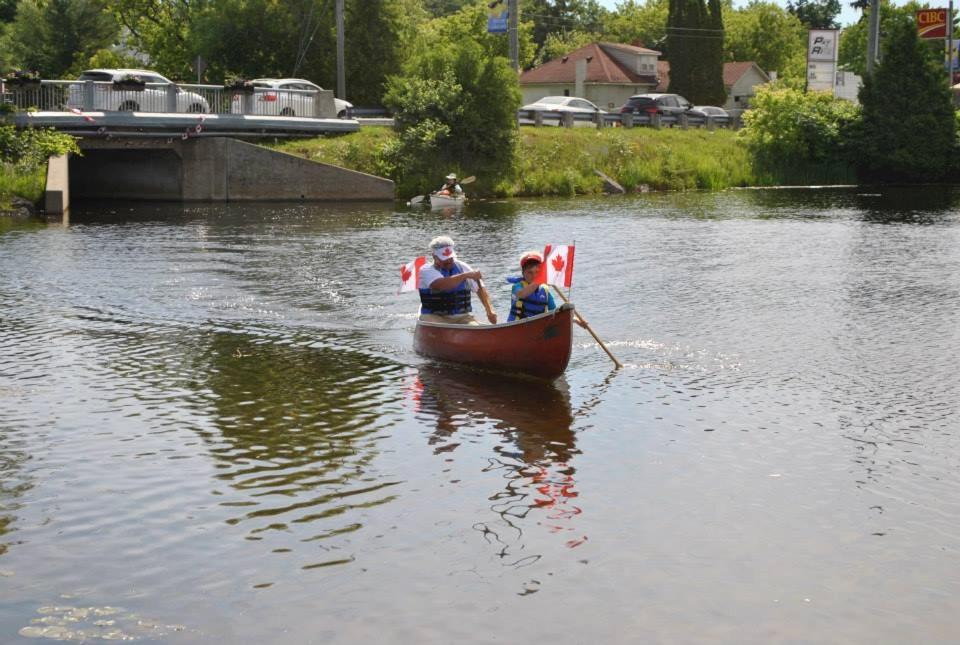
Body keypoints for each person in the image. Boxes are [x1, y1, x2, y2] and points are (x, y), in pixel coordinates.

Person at [418, 235, 498, 325]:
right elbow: (441, 285)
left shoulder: (462, 266)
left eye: (451, 258)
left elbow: (479, 289)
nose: (449, 261)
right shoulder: (426, 270)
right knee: (444, 329)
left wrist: (489, 310)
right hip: (434, 316)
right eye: (444, 259)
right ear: (434, 256)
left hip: (462, 317)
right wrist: (465, 275)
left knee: (475, 327)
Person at [507, 251, 556, 322]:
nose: (534, 276)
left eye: (537, 272)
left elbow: (554, 311)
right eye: (530, 272)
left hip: (539, 326)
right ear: (523, 273)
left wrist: (569, 316)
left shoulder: (545, 290)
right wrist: (539, 280)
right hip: (517, 326)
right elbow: (522, 294)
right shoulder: (517, 287)